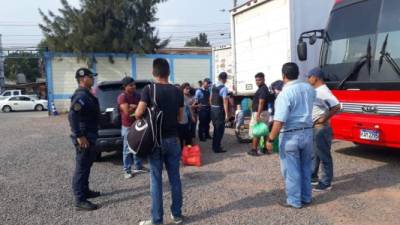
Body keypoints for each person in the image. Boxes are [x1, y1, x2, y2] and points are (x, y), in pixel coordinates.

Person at [135, 58, 184, 225]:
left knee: (156, 180)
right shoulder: (177, 91)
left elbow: (138, 113)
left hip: (155, 141)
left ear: (153, 73)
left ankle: (157, 220)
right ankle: (177, 215)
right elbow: (181, 117)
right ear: (168, 72)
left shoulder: (149, 89)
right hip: (174, 140)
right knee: (175, 178)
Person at [266, 63, 316, 209]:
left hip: (290, 135)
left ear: (283, 76)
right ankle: (306, 197)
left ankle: (294, 200)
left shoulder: (284, 94)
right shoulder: (309, 89)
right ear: (298, 73)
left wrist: (270, 139)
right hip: (307, 132)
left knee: (291, 170)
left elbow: (279, 120)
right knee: (306, 167)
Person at [68, 68, 101, 211]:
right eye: (90, 77)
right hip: (84, 137)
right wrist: (79, 135)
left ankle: (85, 190)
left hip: (90, 135)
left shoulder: (87, 95)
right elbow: (72, 115)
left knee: (87, 165)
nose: (93, 79)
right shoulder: (81, 96)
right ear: (83, 79)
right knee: (81, 167)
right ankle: (80, 199)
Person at [307, 67, 340, 191]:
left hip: (321, 128)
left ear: (315, 77)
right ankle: (313, 177)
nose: (308, 79)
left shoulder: (322, 91)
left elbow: (336, 105)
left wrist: (324, 118)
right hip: (316, 127)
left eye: (309, 76)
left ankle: (326, 183)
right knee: (315, 154)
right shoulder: (317, 90)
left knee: (324, 155)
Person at [118, 77, 148, 179]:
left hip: (137, 125)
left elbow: (144, 108)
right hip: (127, 127)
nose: (134, 86)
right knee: (127, 149)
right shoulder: (122, 97)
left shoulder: (137, 95)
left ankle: (138, 166)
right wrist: (135, 107)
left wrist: (134, 106)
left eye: (134, 84)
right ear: (125, 87)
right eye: (131, 85)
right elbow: (127, 112)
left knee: (137, 146)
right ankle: (127, 170)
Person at [248, 72, 272, 156]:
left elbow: (261, 102)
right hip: (264, 112)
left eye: (259, 80)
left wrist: (258, 115)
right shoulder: (264, 88)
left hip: (260, 113)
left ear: (263, 79)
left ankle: (254, 150)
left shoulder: (262, 89)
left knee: (256, 131)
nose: (257, 82)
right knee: (264, 131)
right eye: (256, 80)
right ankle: (264, 149)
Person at [210, 72, 229, 153]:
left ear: (219, 78)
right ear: (225, 79)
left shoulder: (213, 86)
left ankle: (214, 146)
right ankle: (217, 148)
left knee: (215, 129)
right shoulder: (224, 88)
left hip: (213, 110)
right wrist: (227, 114)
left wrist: (212, 107)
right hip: (219, 111)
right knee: (220, 130)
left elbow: (210, 98)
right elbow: (225, 102)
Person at [178, 82, 196, 148]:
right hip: (179, 122)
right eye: (186, 89)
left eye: (189, 89)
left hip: (186, 121)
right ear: (182, 89)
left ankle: (188, 151)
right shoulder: (179, 97)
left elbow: (189, 107)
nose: (188, 90)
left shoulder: (187, 97)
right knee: (180, 139)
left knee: (188, 138)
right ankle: (181, 153)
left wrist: (192, 116)